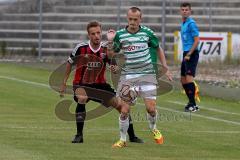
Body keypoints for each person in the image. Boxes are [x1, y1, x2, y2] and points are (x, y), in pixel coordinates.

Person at [59, 21, 143, 144]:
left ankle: (132, 136)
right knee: (82, 97)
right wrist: (64, 82)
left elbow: (113, 66)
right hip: (81, 84)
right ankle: (79, 135)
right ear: (89, 35)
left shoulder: (106, 48)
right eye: (93, 34)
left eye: (98, 33)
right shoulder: (81, 48)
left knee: (122, 106)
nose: (96, 36)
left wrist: (114, 67)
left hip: (100, 85)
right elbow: (69, 63)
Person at [107, 7, 172, 148]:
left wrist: (165, 67)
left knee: (151, 109)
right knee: (124, 110)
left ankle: (154, 129)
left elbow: (158, 48)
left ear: (140, 19)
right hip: (128, 75)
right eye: (130, 19)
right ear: (127, 18)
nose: (132, 22)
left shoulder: (147, 33)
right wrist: (111, 43)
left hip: (147, 75)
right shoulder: (120, 35)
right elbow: (112, 54)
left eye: (135, 19)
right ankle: (122, 140)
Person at [179, 2, 200, 112]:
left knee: (189, 78)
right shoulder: (183, 23)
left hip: (191, 53)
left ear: (190, 11)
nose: (184, 11)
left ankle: (193, 105)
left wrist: (189, 54)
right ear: (180, 11)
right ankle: (191, 102)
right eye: (182, 9)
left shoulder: (191, 23)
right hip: (186, 53)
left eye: (186, 10)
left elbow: (197, 41)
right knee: (183, 80)